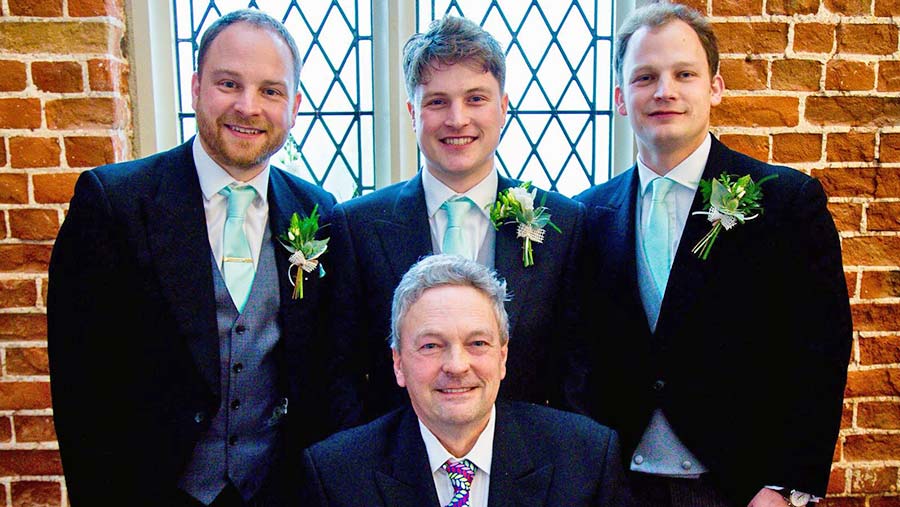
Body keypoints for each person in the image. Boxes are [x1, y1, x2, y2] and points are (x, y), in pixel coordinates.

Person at [47, 9, 337, 506]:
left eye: (271, 90)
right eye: (229, 83)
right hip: (154, 489)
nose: (249, 107)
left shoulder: (317, 212)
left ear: (295, 105)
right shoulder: (115, 203)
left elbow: (329, 373)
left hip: (279, 490)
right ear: (197, 85)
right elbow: (80, 391)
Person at [571, 4, 852, 507]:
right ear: (619, 98)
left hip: (735, 488)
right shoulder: (588, 213)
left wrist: (786, 488)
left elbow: (819, 352)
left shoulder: (785, 202)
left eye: (684, 74)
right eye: (644, 77)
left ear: (715, 87)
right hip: (613, 487)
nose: (664, 91)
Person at [327, 15, 585, 427]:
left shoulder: (564, 225)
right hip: (393, 469)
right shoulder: (358, 226)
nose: (457, 119)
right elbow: (340, 373)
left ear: (503, 108)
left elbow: (575, 372)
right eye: (437, 102)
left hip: (527, 469)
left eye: (476, 99)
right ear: (413, 112)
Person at [301, 254, 631, 506]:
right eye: (431, 345)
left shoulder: (586, 460)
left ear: (502, 357)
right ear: (398, 363)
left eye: (477, 344)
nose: (457, 366)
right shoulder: (336, 476)